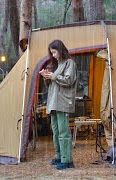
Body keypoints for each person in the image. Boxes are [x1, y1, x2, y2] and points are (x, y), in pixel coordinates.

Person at [40, 39, 78, 170]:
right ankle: (59, 157)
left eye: (55, 52)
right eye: (52, 53)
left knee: (63, 132)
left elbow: (68, 80)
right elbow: (52, 84)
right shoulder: (57, 65)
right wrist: (46, 77)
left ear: (61, 50)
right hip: (53, 103)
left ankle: (67, 160)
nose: (54, 55)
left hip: (62, 102)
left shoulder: (69, 64)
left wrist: (53, 76)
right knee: (56, 132)